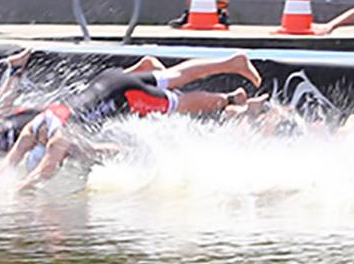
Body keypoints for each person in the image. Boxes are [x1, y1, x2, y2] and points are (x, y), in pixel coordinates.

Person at [16, 52, 264, 190]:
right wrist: (0, 180)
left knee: (179, 105)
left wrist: (21, 190)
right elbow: (13, 156)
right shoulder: (39, 123)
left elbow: (44, 171)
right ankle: (231, 63)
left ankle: (231, 99)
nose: (60, 160)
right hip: (111, 80)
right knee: (176, 75)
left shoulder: (60, 140)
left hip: (127, 95)